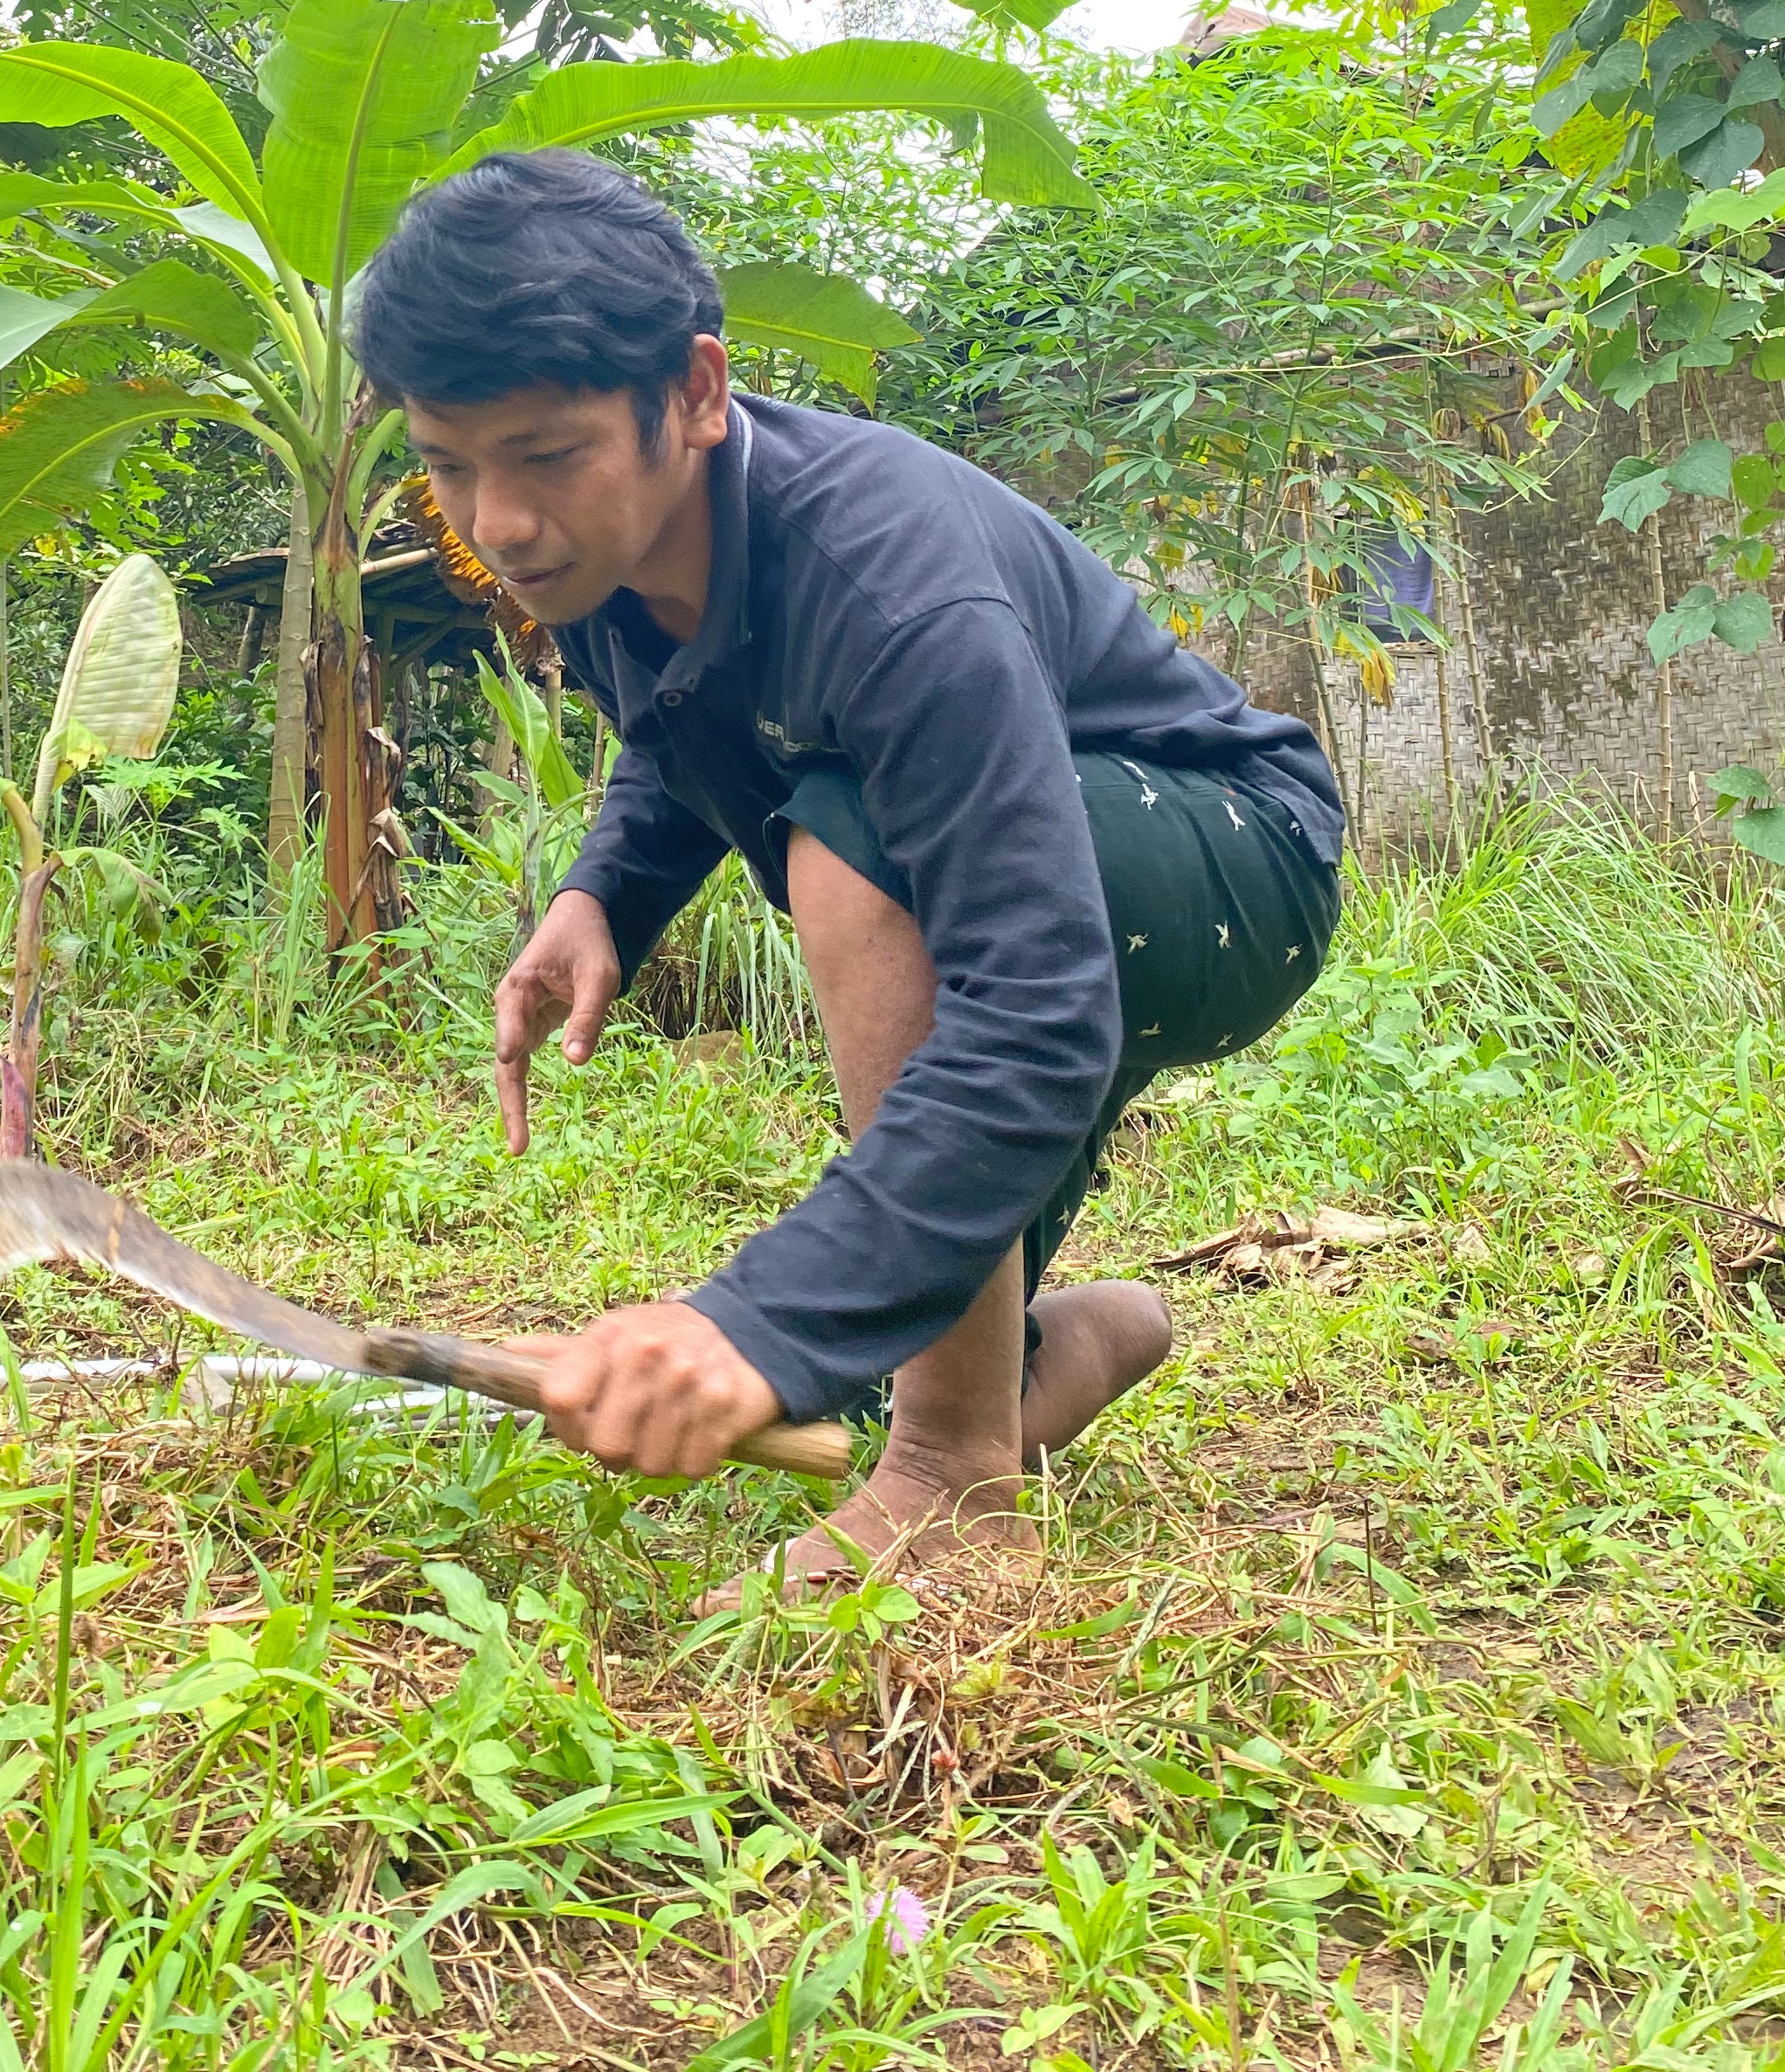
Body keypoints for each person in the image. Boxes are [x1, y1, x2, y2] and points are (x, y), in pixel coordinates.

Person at [349, 149, 1344, 1589]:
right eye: (451, 464)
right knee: (868, 1365)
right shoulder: (602, 561)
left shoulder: (890, 579)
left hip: (1237, 855)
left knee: (850, 843)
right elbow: (687, 730)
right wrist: (601, 894)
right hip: (1039, 870)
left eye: (547, 456)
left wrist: (743, 1322)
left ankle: (956, 1478)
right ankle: (1065, 1353)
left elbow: (1035, 1005)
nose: (496, 521)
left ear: (697, 393)